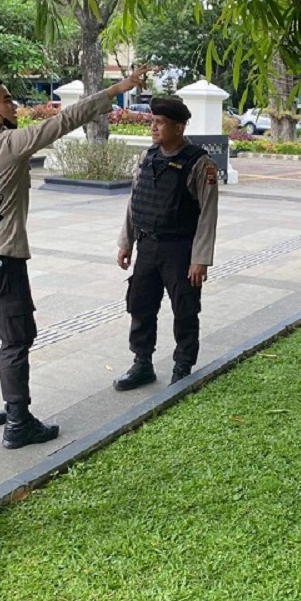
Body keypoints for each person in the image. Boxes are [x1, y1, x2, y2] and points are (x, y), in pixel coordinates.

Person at [0, 67, 149, 448]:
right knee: (16, 340)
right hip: (1, 260)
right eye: (7, 100)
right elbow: (66, 120)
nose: (14, 105)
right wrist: (118, 88)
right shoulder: (9, 144)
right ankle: (18, 422)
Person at [112, 97, 220, 391]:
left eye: (159, 123)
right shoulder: (147, 157)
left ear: (179, 126)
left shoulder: (200, 163)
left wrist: (200, 259)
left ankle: (183, 365)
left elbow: (208, 215)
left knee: (185, 308)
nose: (153, 128)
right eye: (152, 122)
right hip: (147, 246)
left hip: (180, 250)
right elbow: (136, 201)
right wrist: (126, 242)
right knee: (140, 305)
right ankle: (142, 363)